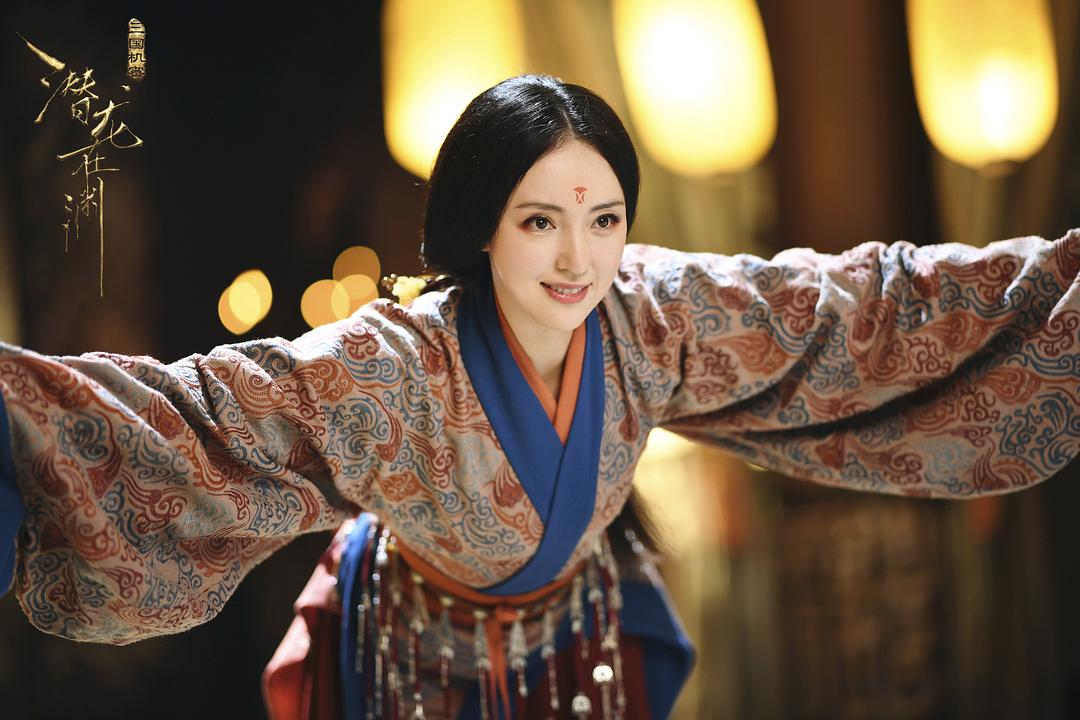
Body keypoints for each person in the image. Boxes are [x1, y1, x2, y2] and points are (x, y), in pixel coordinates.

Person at [0, 73, 1078, 719]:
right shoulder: (394, 367)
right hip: (411, 660)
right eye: (538, 222)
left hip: (581, 646)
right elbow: (199, 417)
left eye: (604, 219)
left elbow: (849, 308)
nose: (578, 259)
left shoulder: (652, 313)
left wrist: (1054, 287)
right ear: (479, 225)